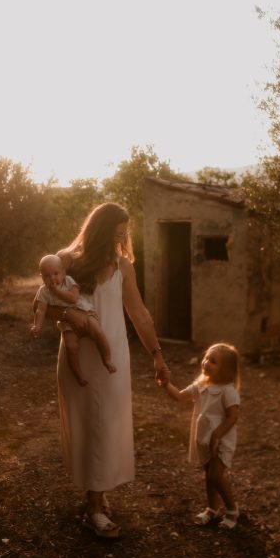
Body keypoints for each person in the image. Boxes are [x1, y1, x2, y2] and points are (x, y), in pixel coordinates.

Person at [34, 202, 170, 538]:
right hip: (80, 356)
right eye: (115, 234)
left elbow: (139, 314)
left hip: (114, 356)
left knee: (107, 424)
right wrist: (68, 315)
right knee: (91, 424)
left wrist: (157, 355)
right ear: (99, 231)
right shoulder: (66, 260)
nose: (120, 240)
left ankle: (97, 491)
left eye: (123, 234)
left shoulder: (123, 266)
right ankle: (94, 507)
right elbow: (42, 304)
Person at [161, 342, 240, 529]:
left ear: (226, 369)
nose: (206, 362)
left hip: (220, 439)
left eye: (213, 361)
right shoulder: (201, 385)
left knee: (216, 476)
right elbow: (179, 396)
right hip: (204, 437)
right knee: (209, 475)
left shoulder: (228, 391)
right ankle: (212, 508)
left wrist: (217, 435)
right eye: (206, 358)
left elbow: (233, 416)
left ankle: (232, 510)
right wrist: (165, 384)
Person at [31, 254, 116, 386]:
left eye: (55, 273)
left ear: (63, 273)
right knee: (70, 347)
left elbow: (73, 298)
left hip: (83, 311)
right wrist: (37, 326)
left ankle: (107, 359)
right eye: (47, 276)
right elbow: (40, 310)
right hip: (66, 322)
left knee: (98, 332)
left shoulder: (68, 281)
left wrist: (57, 291)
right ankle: (78, 374)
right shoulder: (43, 291)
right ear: (41, 277)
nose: (52, 278)